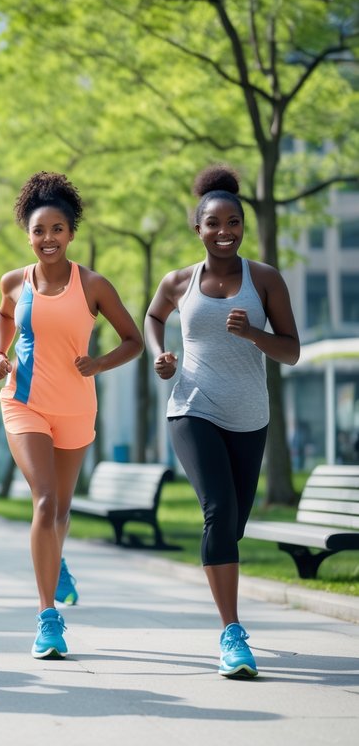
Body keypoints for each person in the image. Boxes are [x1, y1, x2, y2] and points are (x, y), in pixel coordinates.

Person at [145, 165, 299, 678]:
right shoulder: (179, 281)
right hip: (193, 405)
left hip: (249, 415)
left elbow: (292, 351)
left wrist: (255, 334)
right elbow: (152, 318)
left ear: (242, 226)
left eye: (233, 222)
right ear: (199, 228)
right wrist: (160, 356)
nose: (224, 231)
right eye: (214, 223)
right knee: (218, 511)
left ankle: (229, 619)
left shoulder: (266, 280)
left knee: (233, 523)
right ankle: (232, 634)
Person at [0, 172, 142, 660]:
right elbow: (4, 315)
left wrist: (98, 363)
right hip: (24, 400)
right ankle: (48, 617)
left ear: (71, 232)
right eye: (38, 231)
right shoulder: (16, 281)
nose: (47, 239)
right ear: (27, 234)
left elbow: (133, 340)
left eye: (56, 229)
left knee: (61, 509)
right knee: (46, 500)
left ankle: (56, 559)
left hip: (76, 406)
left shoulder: (93, 285)